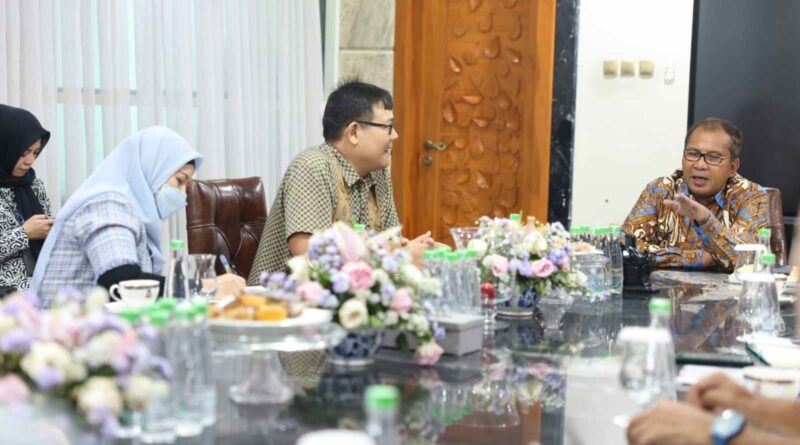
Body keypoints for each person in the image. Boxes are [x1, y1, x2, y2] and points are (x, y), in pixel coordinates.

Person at [247, 80, 433, 284]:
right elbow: (310, 256)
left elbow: (391, 243)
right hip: (278, 298)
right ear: (354, 132)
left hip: (350, 295)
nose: (395, 136)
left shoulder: (378, 174)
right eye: (388, 127)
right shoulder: (312, 167)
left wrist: (414, 250)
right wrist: (400, 256)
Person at [32, 127, 207, 306]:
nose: (183, 194)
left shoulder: (130, 210)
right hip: (73, 323)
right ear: (152, 169)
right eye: (180, 180)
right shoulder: (108, 205)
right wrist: (200, 287)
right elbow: (121, 281)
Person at [622, 118, 769, 272]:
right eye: (693, 154)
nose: (700, 165)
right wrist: (698, 259)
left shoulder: (751, 196)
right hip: (662, 287)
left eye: (713, 157)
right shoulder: (660, 190)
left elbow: (746, 260)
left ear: (732, 167)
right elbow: (624, 248)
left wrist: (705, 219)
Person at [0, 104, 53, 295]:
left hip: (41, 285)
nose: (30, 161)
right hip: (6, 294)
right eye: (23, 153)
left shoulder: (34, 184)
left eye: (35, 153)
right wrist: (23, 234)